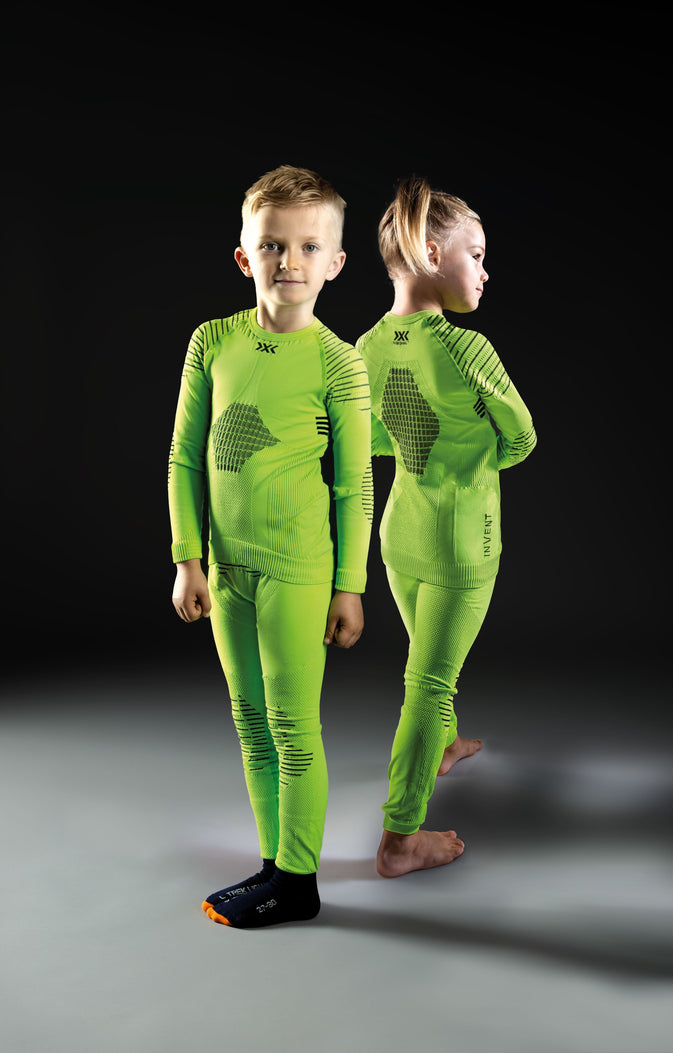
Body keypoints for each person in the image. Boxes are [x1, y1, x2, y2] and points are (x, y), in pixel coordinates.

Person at [168, 165, 372, 927]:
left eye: (309, 246)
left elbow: (354, 484)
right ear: (244, 255)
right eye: (273, 245)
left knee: (293, 726)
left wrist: (349, 584)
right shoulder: (212, 342)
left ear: (335, 262)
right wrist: (188, 558)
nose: (290, 261)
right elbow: (185, 457)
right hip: (228, 568)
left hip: (298, 569)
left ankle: (299, 881)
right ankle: (273, 864)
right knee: (250, 721)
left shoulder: (338, 361)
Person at [356, 176, 536, 878]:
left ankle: (446, 744)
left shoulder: (368, 345)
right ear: (432, 254)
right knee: (428, 680)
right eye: (477, 256)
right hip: (462, 542)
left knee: (430, 662)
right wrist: (474, 460)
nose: (485, 272)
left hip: (401, 536)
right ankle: (400, 839)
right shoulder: (468, 350)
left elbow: (372, 438)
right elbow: (523, 437)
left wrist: (423, 449)